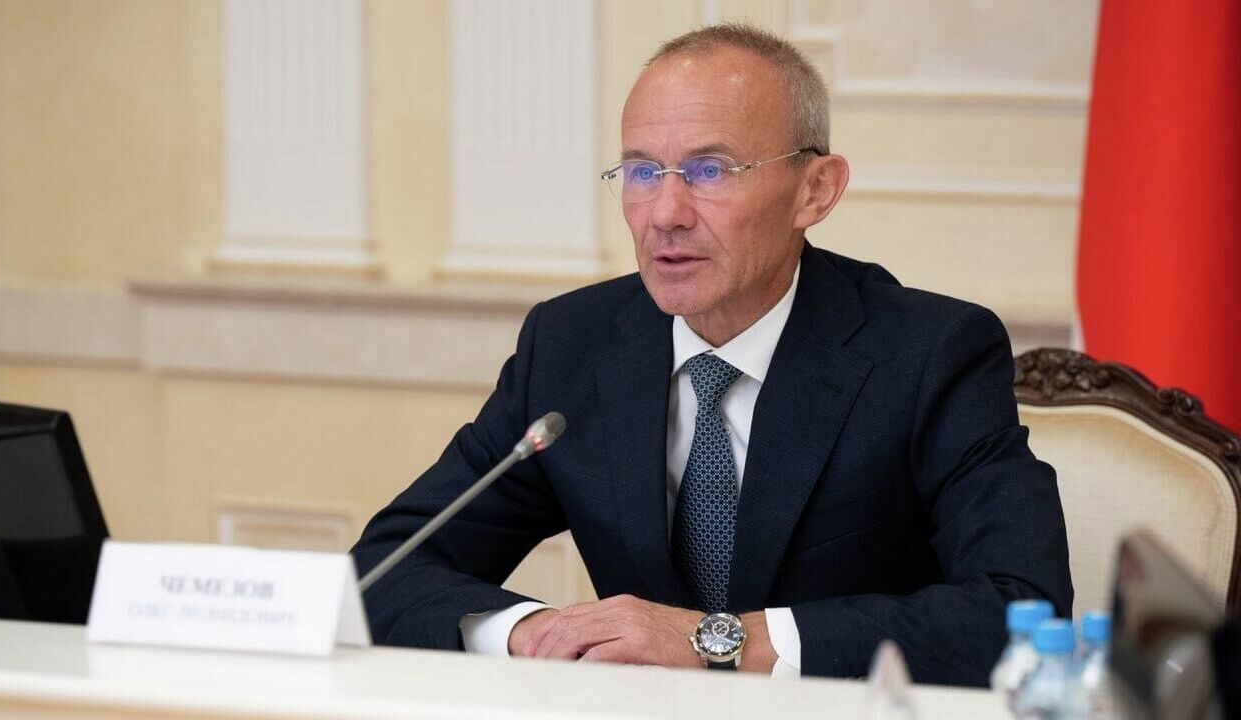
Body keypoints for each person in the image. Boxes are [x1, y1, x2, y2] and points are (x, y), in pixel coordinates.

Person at [351, 22, 1071, 686]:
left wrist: (720, 643)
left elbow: (1021, 609)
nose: (665, 214)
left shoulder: (927, 354)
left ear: (815, 190)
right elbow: (383, 567)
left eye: (710, 170)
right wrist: (536, 633)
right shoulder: (571, 345)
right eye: (641, 172)